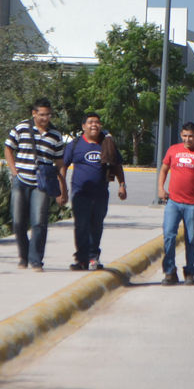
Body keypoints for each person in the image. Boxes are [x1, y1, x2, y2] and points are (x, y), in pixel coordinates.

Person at [4, 98, 67, 272]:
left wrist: (63, 188)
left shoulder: (55, 135)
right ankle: (23, 256)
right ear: (34, 113)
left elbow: (60, 162)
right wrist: (14, 171)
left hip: (42, 184)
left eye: (48, 114)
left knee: (39, 222)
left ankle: (36, 260)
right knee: (18, 222)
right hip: (21, 180)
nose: (45, 118)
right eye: (42, 114)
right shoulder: (21, 128)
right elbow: (8, 148)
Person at [61, 113, 127, 271]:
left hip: (100, 193)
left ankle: (93, 257)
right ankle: (81, 259)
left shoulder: (107, 143)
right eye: (90, 122)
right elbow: (63, 166)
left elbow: (117, 165)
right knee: (81, 225)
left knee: (96, 226)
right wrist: (61, 188)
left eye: (97, 122)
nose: (94, 125)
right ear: (83, 126)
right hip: (80, 193)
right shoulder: (75, 145)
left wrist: (122, 185)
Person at [158, 122, 194, 286]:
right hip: (173, 202)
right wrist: (161, 188)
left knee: (190, 239)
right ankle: (169, 271)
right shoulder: (173, 150)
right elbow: (163, 169)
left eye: (191, 136)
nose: (187, 139)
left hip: (193, 204)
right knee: (168, 235)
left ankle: (189, 272)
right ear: (181, 135)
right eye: (185, 136)